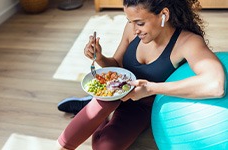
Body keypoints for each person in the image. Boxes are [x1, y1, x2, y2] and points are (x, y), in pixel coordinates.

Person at [56, 0, 225, 149]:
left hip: (143, 105)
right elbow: (117, 65)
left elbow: (216, 86)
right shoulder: (131, 29)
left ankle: (92, 110)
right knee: (105, 102)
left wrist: (150, 88)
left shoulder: (188, 43)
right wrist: (100, 58)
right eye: (130, 21)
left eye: (140, 23)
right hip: (116, 92)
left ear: (163, 14)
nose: (134, 29)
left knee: (104, 147)